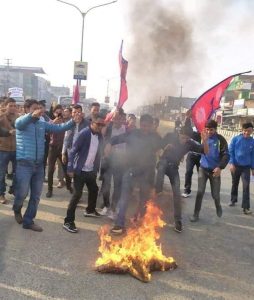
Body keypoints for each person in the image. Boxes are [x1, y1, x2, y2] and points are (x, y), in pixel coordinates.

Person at [13, 99, 77, 232]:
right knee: (22, 193)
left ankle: (28, 221)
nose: (39, 110)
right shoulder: (21, 120)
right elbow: (18, 125)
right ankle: (17, 208)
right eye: (34, 108)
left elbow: (58, 128)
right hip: (24, 164)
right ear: (26, 109)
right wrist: (31, 116)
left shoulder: (42, 122)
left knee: (36, 196)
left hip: (39, 165)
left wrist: (73, 121)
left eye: (40, 108)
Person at [107, 114, 162, 235]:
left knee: (144, 199)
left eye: (147, 126)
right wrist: (109, 144)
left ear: (152, 125)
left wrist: (166, 149)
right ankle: (119, 224)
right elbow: (115, 139)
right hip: (131, 170)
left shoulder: (155, 137)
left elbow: (164, 146)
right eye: (143, 125)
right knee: (125, 197)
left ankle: (139, 222)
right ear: (140, 124)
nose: (145, 128)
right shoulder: (132, 133)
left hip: (147, 173)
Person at [156, 126, 208, 232]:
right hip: (164, 162)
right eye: (183, 137)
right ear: (179, 134)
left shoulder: (190, 143)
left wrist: (205, 140)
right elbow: (157, 146)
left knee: (177, 193)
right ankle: (158, 190)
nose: (184, 141)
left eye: (187, 138)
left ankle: (178, 220)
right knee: (161, 168)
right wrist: (164, 148)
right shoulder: (170, 136)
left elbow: (205, 151)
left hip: (174, 168)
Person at [63, 114, 106, 233]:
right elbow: (72, 151)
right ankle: (68, 221)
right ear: (92, 123)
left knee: (94, 189)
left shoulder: (100, 136)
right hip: (80, 170)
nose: (100, 127)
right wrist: (70, 168)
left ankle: (90, 210)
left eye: (102, 125)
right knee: (77, 194)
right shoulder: (84, 133)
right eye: (98, 124)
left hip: (90, 170)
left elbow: (98, 152)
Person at [190, 120, 229, 222]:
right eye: (207, 129)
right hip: (203, 168)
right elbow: (190, 139)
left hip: (215, 171)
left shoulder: (220, 140)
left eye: (211, 129)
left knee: (215, 194)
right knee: (200, 192)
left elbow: (226, 155)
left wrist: (220, 167)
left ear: (215, 129)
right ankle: (196, 214)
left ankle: (218, 205)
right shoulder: (202, 137)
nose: (209, 131)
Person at [100, 109, 126, 218]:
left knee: (117, 185)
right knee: (106, 183)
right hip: (108, 158)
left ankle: (113, 208)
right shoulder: (109, 127)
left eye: (119, 118)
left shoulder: (126, 129)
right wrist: (106, 123)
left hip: (120, 160)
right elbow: (102, 134)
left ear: (123, 118)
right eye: (114, 118)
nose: (116, 120)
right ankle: (106, 205)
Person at [46, 105, 72, 197]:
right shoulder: (50, 122)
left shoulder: (67, 123)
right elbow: (46, 132)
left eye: (60, 112)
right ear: (54, 113)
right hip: (52, 148)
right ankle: (50, 189)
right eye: (57, 112)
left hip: (62, 149)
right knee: (50, 170)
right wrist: (53, 122)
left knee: (66, 169)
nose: (59, 114)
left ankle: (69, 186)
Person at [228, 122, 254, 214]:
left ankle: (246, 207)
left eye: (249, 131)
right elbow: (230, 151)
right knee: (235, 183)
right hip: (235, 166)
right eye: (245, 131)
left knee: (246, 186)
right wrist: (231, 163)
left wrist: (253, 168)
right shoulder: (236, 139)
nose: (247, 133)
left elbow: (253, 155)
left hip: (246, 167)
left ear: (252, 131)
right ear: (242, 130)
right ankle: (233, 199)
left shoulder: (252, 141)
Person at [0, 98, 18, 203]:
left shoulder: (19, 117)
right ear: (6, 106)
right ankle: (1, 194)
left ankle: (14, 189)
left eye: (14, 105)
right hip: (3, 149)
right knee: (1, 174)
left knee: (18, 172)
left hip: (16, 149)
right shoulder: (1, 117)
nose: (13, 108)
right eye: (10, 105)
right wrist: (9, 132)